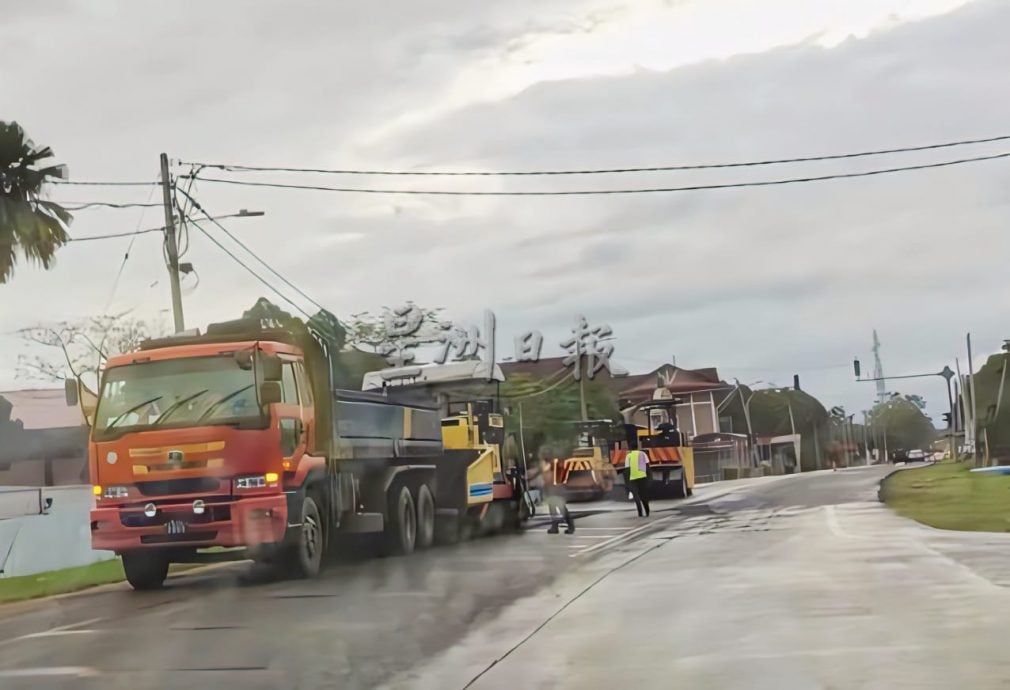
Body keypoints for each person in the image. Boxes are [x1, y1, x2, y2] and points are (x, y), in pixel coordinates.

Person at [541, 457, 575, 534]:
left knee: (559, 507)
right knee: (555, 508)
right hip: (555, 488)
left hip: (555, 488)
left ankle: (567, 525)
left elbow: (550, 477)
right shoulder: (555, 463)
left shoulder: (553, 464)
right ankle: (557, 526)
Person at [625, 448, 650, 517]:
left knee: (636, 496)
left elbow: (627, 470)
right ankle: (647, 511)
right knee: (643, 495)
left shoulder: (629, 456)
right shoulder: (643, 454)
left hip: (633, 479)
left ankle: (640, 513)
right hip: (642, 478)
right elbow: (647, 467)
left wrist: (627, 482)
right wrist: (649, 478)